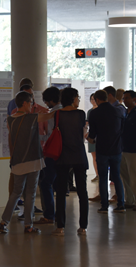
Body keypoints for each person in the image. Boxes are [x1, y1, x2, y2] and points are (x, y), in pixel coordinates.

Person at [0, 91, 55, 235]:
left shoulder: (10, 119)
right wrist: (60, 109)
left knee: (16, 192)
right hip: (33, 160)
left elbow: (11, 141)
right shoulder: (31, 118)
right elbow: (49, 116)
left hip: (18, 161)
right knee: (30, 193)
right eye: (30, 103)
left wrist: (12, 158)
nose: (32, 105)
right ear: (24, 103)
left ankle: (4, 222)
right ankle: (28, 226)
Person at [52, 87, 89, 236]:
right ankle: (83, 226)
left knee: (61, 192)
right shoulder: (80, 114)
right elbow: (82, 132)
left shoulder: (57, 114)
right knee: (82, 192)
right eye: (77, 97)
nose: (78, 100)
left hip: (63, 155)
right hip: (79, 155)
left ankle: (60, 226)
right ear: (73, 98)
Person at [88, 89, 125, 213]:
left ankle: (104, 206)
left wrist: (89, 139)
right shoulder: (118, 111)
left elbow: (92, 134)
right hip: (116, 149)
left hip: (102, 149)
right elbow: (122, 129)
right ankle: (121, 204)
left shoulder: (94, 113)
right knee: (117, 177)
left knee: (103, 178)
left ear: (97, 100)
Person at [35, 87, 62, 226]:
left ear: (51, 100)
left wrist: (37, 137)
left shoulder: (53, 114)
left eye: (46, 101)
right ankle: (60, 216)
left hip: (53, 153)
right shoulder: (65, 111)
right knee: (59, 185)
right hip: (65, 153)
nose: (46, 104)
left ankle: (49, 215)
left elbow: (51, 135)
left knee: (45, 183)